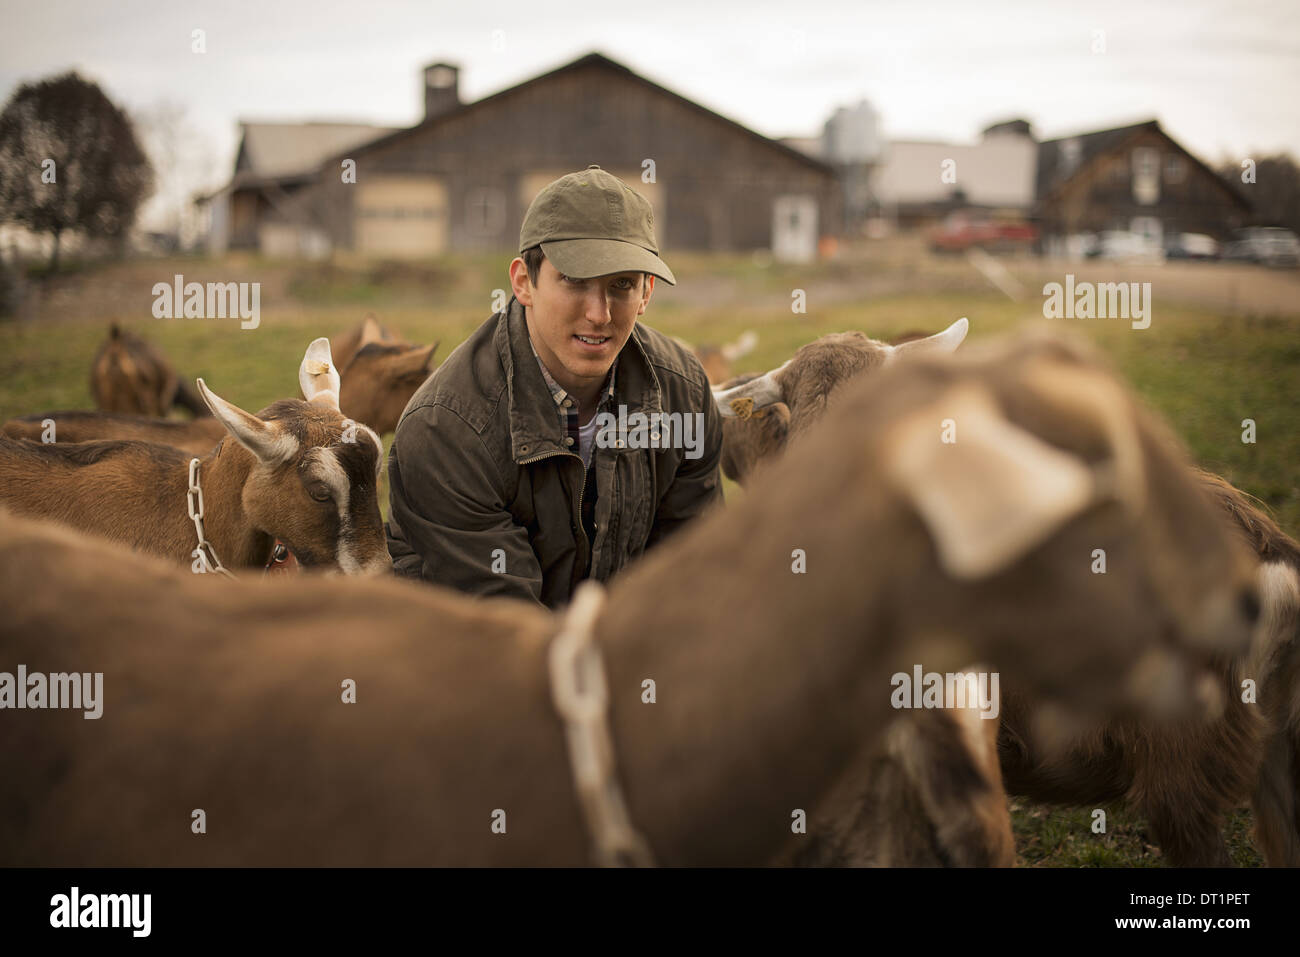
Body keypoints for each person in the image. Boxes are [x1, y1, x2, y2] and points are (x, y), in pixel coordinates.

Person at [387, 165, 723, 608]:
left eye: (622, 285)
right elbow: (505, 627)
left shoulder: (685, 397)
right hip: (477, 661)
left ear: (647, 294)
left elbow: (695, 573)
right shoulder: (447, 430)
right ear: (524, 282)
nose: (599, 314)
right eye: (575, 281)